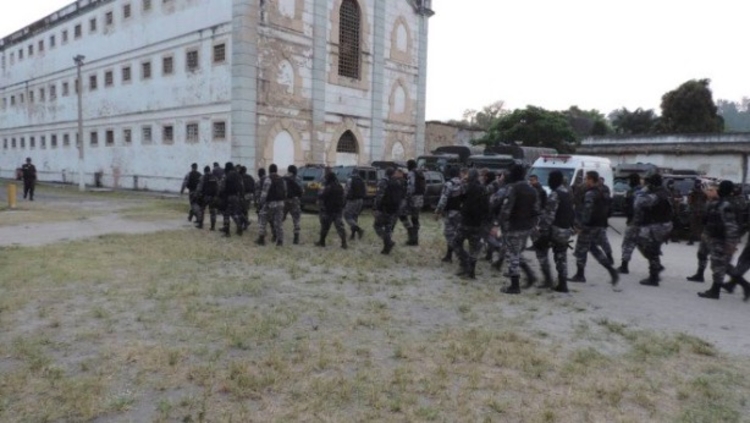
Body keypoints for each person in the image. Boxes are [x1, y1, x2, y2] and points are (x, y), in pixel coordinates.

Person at [569, 171, 619, 286]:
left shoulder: (590, 194)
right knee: (593, 249)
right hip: (599, 225)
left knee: (581, 250)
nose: (585, 181)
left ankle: (580, 275)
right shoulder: (603, 192)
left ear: (591, 180)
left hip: (588, 226)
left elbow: (587, 211)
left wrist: (581, 226)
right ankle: (611, 270)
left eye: (586, 179)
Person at [697, 181, 742, 299]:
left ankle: (715, 291)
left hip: (722, 239)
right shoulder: (722, 202)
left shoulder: (726, 205)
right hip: (716, 237)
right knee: (718, 264)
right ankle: (716, 289)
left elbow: (731, 225)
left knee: (719, 265)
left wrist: (731, 243)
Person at [499, 164, 538, 294]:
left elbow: (507, 209)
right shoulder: (533, 190)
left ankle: (515, 286)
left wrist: (501, 223)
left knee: (513, 255)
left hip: (514, 226)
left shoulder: (514, 189)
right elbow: (537, 210)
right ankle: (530, 275)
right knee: (517, 253)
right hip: (527, 227)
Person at [534, 170, 575, 292]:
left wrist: (542, 231)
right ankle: (563, 283)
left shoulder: (555, 194)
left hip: (555, 230)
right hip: (566, 230)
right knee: (561, 256)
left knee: (540, 249)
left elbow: (549, 216)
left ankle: (548, 279)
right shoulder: (567, 193)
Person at [634, 173, 673, 286]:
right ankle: (657, 268)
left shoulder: (655, 195)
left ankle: (654, 277)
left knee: (650, 249)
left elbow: (638, 203)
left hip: (656, 226)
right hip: (664, 224)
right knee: (650, 247)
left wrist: (643, 190)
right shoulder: (665, 192)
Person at [452, 169, 489, 279]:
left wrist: (462, 181)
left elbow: (456, 195)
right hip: (477, 223)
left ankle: (464, 262)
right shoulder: (483, 189)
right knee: (474, 248)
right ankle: (471, 272)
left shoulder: (466, 187)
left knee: (456, 242)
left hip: (465, 221)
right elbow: (487, 206)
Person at [434, 167, 465, 263]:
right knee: (457, 234)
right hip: (461, 212)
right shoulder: (463, 184)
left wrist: (438, 211)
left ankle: (461, 256)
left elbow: (443, 199)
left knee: (449, 234)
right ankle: (450, 255)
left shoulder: (449, 184)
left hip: (450, 212)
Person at [373, 167, 404, 255]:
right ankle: (387, 247)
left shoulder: (383, 182)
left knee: (377, 226)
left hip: (385, 209)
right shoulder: (398, 182)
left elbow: (379, 197)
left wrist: (376, 208)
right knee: (388, 228)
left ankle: (388, 242)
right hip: (395, 209)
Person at [255, 164, 286, 246]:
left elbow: (264, 193)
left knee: (263, 218)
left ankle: (261, 238)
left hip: (270, 203)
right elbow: (285, 191)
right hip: (281, 203)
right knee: (278, 222)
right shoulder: (281, 179)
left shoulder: (268, 179)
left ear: (269, 170)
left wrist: (261, 203)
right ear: (276, 170)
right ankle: (280, 240)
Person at [315, 171, 348, 249]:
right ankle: (344, 243)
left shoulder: (328, 187)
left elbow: (322, 196)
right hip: (338, 210)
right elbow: (344, 197)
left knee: (325, 227)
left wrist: (319, 194)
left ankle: (322, 242)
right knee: (340, 227)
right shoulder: (339, 186)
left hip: (328, 210)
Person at [617, 173, 642, 274]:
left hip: (634, 221)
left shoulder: (634, 192)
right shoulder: (642, 191)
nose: (628, 183)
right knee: (643, 245)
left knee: (627, 243)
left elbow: (631, 207)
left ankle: (624, 266)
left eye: (629, 180)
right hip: (642, 222)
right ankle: (656, 265)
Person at [218, 162, 245, 237]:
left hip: (228, 196)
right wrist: (241, 196)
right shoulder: (238, 175)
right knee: (235, 213)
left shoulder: (226, 175)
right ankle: (239, 227)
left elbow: (221, 187)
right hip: (236, 196)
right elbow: (242, 186)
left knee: (226, 214)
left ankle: (227, 232)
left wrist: (220, 194)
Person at [403, 160, 426, 246]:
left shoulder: (412, 173)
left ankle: (412, 236)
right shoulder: (421, 173)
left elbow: (411, 185)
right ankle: (414, 239)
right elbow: (425, 186)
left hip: (413, 197)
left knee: (402, 214)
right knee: (415, 218)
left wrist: (407, 196)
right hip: (420, 198)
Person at [193, 165, 219, 230]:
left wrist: (196, 195)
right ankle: (212, 226)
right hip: (213, 197)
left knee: (202, 210)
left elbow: (199, 188)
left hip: (205, 196)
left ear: (204, 171)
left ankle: (201, 224)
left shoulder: (203, 177)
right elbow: (218, 187)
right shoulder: (215, 177)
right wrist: (217, 195)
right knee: (213, 212)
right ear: (209, 170)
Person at [343, 168, 367, 240]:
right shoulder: (362, 180)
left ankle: (359, 230)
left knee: (347, 216)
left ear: (352, 172)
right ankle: (353, 235)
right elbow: (365, 191)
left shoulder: (350, 180)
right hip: (360, 200)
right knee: (354, 217)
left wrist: (344, 199)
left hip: (352, 200)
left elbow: (346, 191)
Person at [283, 165, 303, 245]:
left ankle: (276, 234)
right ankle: (296, 237)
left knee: (280, 218)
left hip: (285, 200)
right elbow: (301, 191)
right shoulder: (298, 179)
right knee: (296, 219)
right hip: (295, 200)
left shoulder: (284, 178)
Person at [687, 179, 707, 245]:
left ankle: (701, 240)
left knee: (701, 226)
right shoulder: (692, 192)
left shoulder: (702, 192)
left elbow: (705, 200)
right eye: (697, 183)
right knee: (693, 226)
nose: (698, 185)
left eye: (699, 183)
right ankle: (691, 239)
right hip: (694, 211)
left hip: (701, 211)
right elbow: (689, 201)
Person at [239, 166, 255, 231]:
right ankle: (245, 224)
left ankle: (244, 223)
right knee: (245, 210)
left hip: (244, 195)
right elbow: (254, 185)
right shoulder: (250, 177)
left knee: (241, 210)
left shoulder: (240, 177)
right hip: (250, 195)